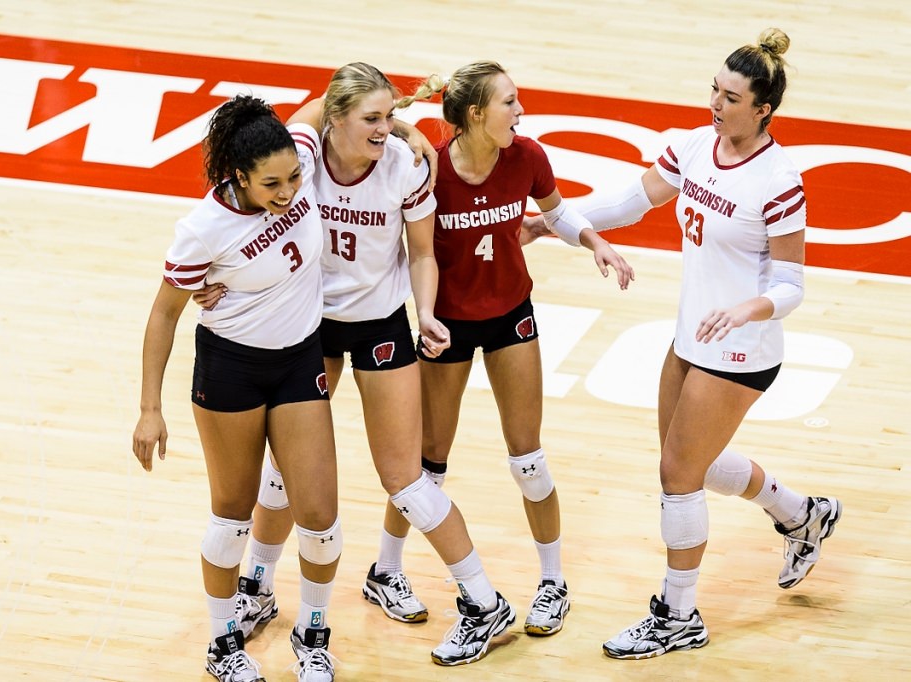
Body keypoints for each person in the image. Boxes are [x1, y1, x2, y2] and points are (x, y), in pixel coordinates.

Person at [196, 62, 516, 667]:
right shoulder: (303, 155)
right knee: (287, 472)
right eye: (372, 118)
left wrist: (425, 312)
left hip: (378, 324)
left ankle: (483, 600)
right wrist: (208, 279)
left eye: (391, 116)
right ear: (334, 120)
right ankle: (258, 585)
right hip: (308, 324)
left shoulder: (405, 166)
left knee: (406, 476)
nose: (388, 129)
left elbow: (422, 253)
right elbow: (239, 208)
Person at [550, 28, 842, 659]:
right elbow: (633, 201)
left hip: (743, 347)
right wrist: (558, 221)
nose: (716, 102)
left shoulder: (780, 180)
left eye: (731, 97)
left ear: (763, 109)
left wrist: (748, 307)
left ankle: (678, 615)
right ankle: (802, 513)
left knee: (677, 473)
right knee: (692, 465)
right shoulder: (693, 147)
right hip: (689, 337)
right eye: (715, 88)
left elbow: (791, 283)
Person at [381, 60, 635, 650]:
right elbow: (372, 124)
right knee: (424, 466)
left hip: (510, 315)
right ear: (475, 115)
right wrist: (408, 128)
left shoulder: (527, 156)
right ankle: (386, 569)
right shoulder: (428, 169)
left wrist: (594, 241)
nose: (520, 113)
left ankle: (553, 581)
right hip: (446, 326)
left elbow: (556, 211)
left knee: (529, 459)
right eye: (509, 103)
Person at [131, 94, 341, 682]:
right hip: (232, 369)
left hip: (300, 360)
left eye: (296, 178)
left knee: (321, 515)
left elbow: (334, 98)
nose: (289, 192)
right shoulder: (202, 231)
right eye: (271, 184)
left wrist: (401, 121)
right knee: (232, 515)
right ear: (238, 176)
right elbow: (162, 316)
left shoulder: (295, 148)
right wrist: (150, 410)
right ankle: (224, 645)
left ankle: (314, 634)